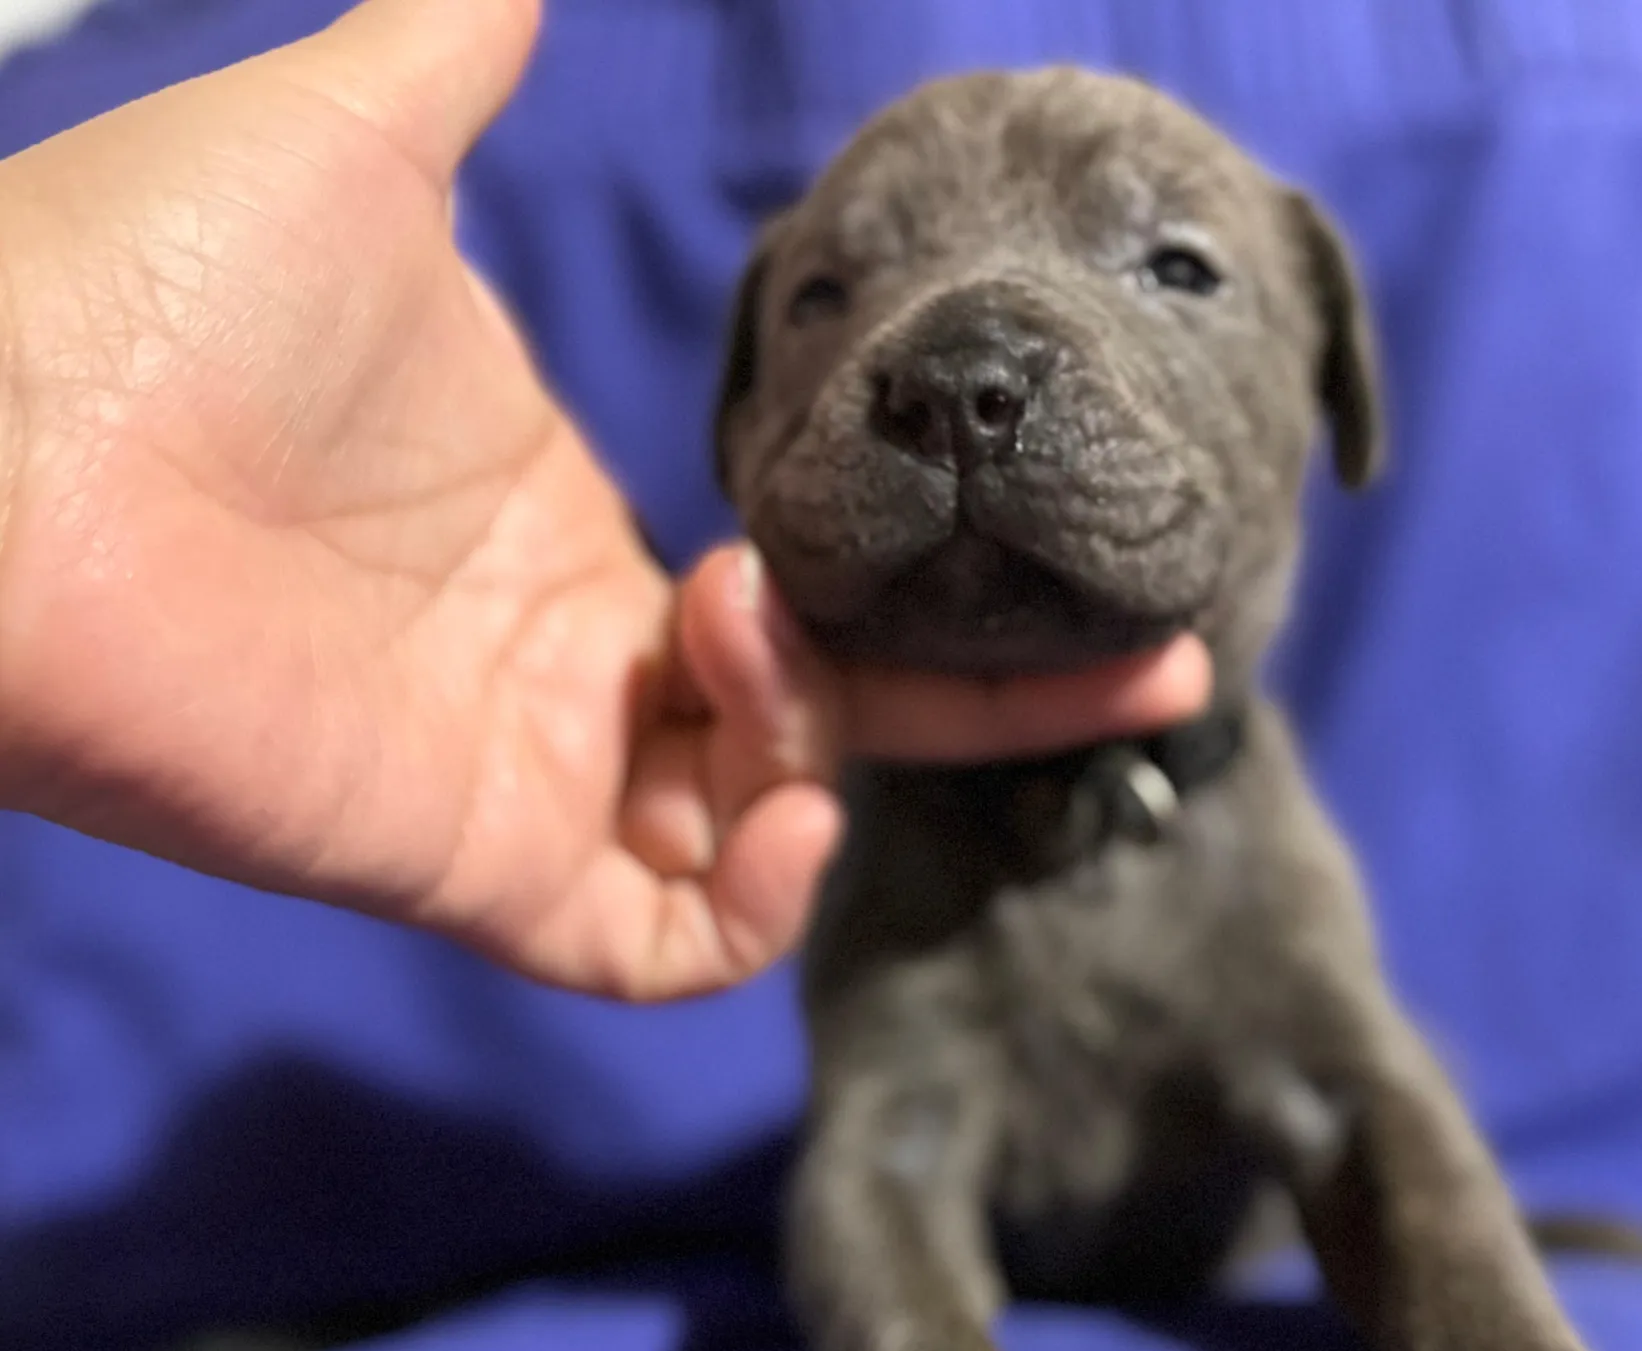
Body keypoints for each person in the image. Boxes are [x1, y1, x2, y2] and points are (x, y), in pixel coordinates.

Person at [0, 0, 1210, 1003]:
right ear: (730, 413)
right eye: (823, 295)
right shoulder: (140, 116)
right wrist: (36, 406)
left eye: (1175, 270)